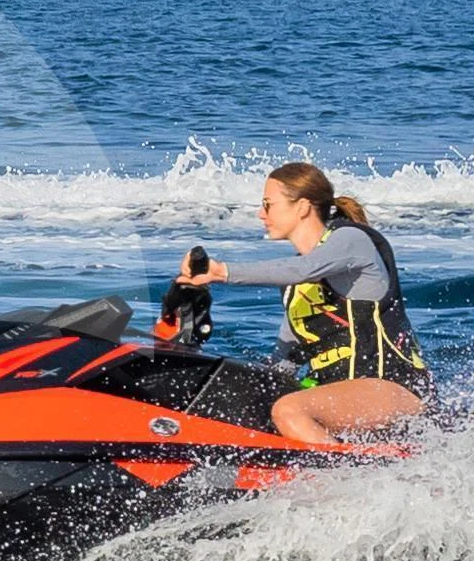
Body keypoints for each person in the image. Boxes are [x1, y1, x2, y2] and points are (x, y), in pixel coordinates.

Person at [174, 160, 429, 443]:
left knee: (289, 410)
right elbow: (284, 363)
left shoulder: (351, 240)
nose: (261, 214)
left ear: (303, 206)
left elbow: (305, 268)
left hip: (393, 390)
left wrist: (221, 271)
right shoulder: (295, 287)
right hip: (342, 396)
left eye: (268, 204)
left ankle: (349, 480)